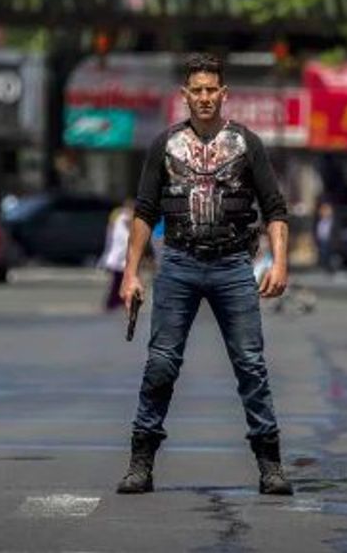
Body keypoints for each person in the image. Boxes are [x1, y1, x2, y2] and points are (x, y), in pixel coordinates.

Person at [116, 53, 293, 496]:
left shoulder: (247, 143)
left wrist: (279, 263)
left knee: (251, 365)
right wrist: (130, 274)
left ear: (223, 93)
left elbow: (275, 209)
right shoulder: (165, 145)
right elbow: (145, 211)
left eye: (212, 89)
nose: (205, 97)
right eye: (197, 90)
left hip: (233, 264)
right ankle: (141, 463)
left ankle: (270, 466)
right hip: (179, 263)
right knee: (161, 363)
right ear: (185, 95)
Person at [99, 199, 135, 312]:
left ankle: (118, 301)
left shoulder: (120, 216)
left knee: (120, 280)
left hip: (122, 254)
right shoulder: (122, 216)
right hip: (120, 255)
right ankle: (114, 302)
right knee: (119, 280)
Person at [314, 201, 336, 274]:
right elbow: (316, 232)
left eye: (327, 210)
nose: (325, 212)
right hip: (321, 241)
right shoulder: (318, 222)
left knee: (329, 254)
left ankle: (330, 268)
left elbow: (336, 233)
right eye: (323, 210)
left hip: (330, 242)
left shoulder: (333, 221)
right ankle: (323, 266)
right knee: (322, 253)